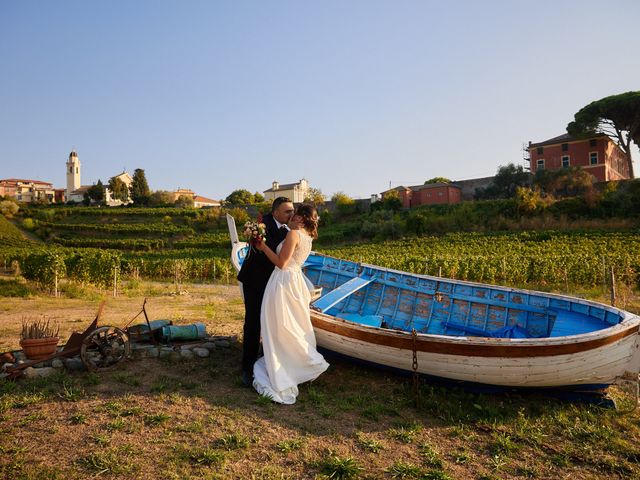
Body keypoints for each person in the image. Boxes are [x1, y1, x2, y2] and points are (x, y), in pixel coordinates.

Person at [252, 204, 329, 404]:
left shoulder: (295, 234)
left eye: (294, 214)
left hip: (283, 281)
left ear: (302, 218)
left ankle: (285, 367)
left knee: (279, 324)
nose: (291, 217)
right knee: (292, 323)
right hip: (296, 281)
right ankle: (295, 362)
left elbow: (281, 263)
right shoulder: (308, 237)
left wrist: (262, 246)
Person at [237, 197, 295, 387]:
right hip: (255, 281)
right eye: (287, 211)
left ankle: (266, 361)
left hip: (274, 283)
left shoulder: (289, 230)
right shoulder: (262, 225)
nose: (291, 214)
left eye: (292, 210)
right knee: (253, 323)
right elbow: (263, 249)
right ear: (275, 212)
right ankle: (247, 368)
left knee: (272, 322)